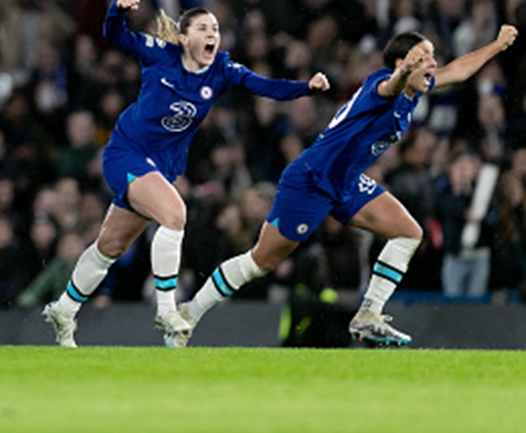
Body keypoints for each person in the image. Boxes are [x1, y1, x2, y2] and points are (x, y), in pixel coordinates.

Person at [179, 25, 518, 347]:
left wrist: (497, 45)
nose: (432, 62)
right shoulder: (383, 83)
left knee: (408, 233)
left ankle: (368, 313)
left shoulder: (416, 90)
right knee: (261, 261)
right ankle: (189, 314)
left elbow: (457, 71)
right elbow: (391, 85)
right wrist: (402, 73)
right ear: (402, 63)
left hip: (345, 182)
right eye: (423, 56)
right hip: (311, 180)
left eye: (432, 56)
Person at [42, 0, 330, 348]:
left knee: (110, 246)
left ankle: (65, 309)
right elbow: (116, 36)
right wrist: (116, 10)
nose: (213, 33)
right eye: (204, 27)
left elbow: (264, 86)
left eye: (217, 28)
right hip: (126, 153)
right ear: (183, 37)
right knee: (175, 214)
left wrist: (306, 88)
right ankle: (166, 311)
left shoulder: (222, 69)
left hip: (160, 168)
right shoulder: (160, 55)